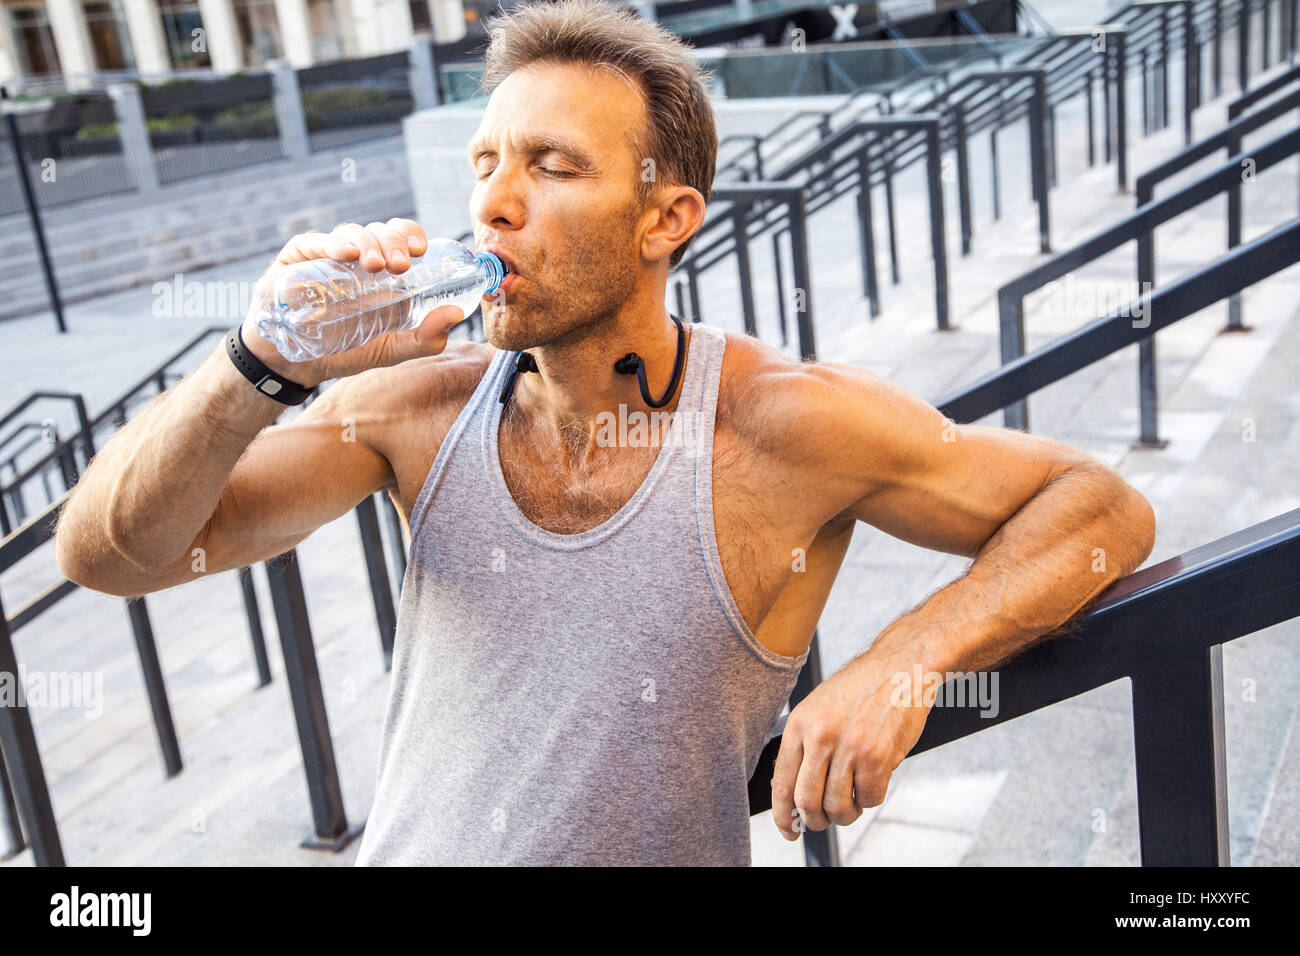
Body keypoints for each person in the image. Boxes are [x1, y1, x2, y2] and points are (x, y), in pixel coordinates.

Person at [54, 0, 1156, 865]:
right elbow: (110, 554)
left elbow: (1099, 508)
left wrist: (903, 664)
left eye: (552, 165)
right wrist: (257, 364)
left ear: (663, 218)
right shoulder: (412, 404)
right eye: (485, 162)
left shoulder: (779, 421)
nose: (492, 201)